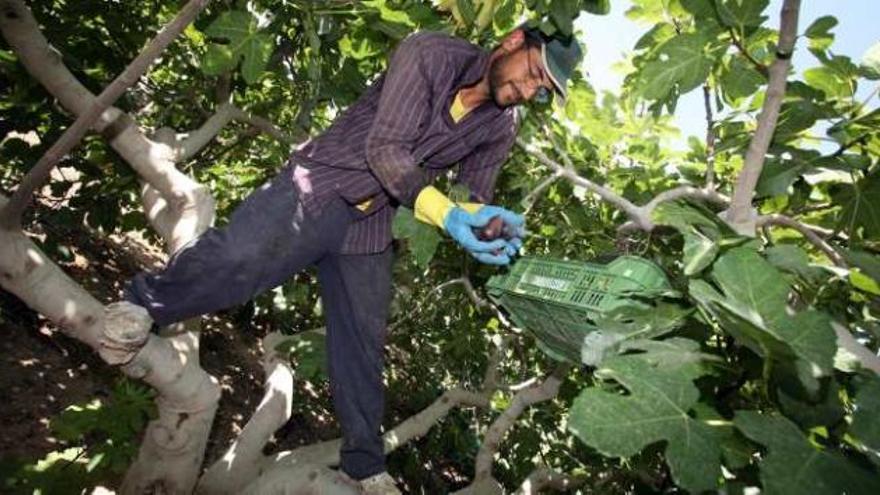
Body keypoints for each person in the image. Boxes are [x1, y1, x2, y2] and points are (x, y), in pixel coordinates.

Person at [107, 24, 582, 495]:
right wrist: (450, 216)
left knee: (362, 346)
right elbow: (385, 150)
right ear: (514, 41)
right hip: (318, 187)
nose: (529, 89)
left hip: (372, 225)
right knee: (239, 258)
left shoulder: (501, 125)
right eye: (535, 71)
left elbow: (471, 194)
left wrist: (484, 222)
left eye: (542, 88)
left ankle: (363, 465)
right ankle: (142, 305)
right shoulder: (430, 54)